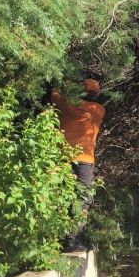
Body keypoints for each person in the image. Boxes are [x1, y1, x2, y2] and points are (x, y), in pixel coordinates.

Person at [50, 78, 107, 250]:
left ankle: (58, 239)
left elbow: (54, 94)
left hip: (63, 158)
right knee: (82, 198)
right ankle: (73, 240)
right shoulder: (99, 110)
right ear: (95, 95)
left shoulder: (65, 103)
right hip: (85, 160)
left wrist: (59, 80)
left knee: (62, 196)